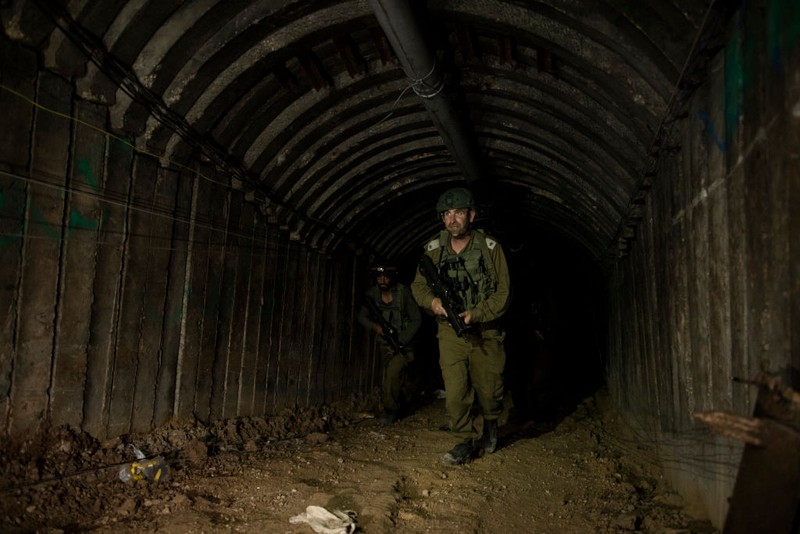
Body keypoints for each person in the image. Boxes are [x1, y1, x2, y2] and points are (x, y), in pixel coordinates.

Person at [411, 186, 511, 465]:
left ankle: (491, 423)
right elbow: (418, 287)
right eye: (447, 214)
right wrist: (434, 304)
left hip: (486, 331)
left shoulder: (490, 248)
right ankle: (464, 441)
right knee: (455, 393)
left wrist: (476, 313)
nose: (452, 219)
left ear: (472, 216)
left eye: (458, 213)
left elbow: (503, 293)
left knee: (490, 391)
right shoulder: (433, 250)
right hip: (449, 332)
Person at [357, 264, 421, 423]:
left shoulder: (403, 293)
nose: (382, 280)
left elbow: (416, 320)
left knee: (392, 375)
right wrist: (375, 327)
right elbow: (362, 317)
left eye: (386, 277)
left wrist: (401, 341)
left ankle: (391, 410)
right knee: (395, 377)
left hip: (403, 345)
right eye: (379, 277)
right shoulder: (372, 294)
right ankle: (403, 403)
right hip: (384, 344)